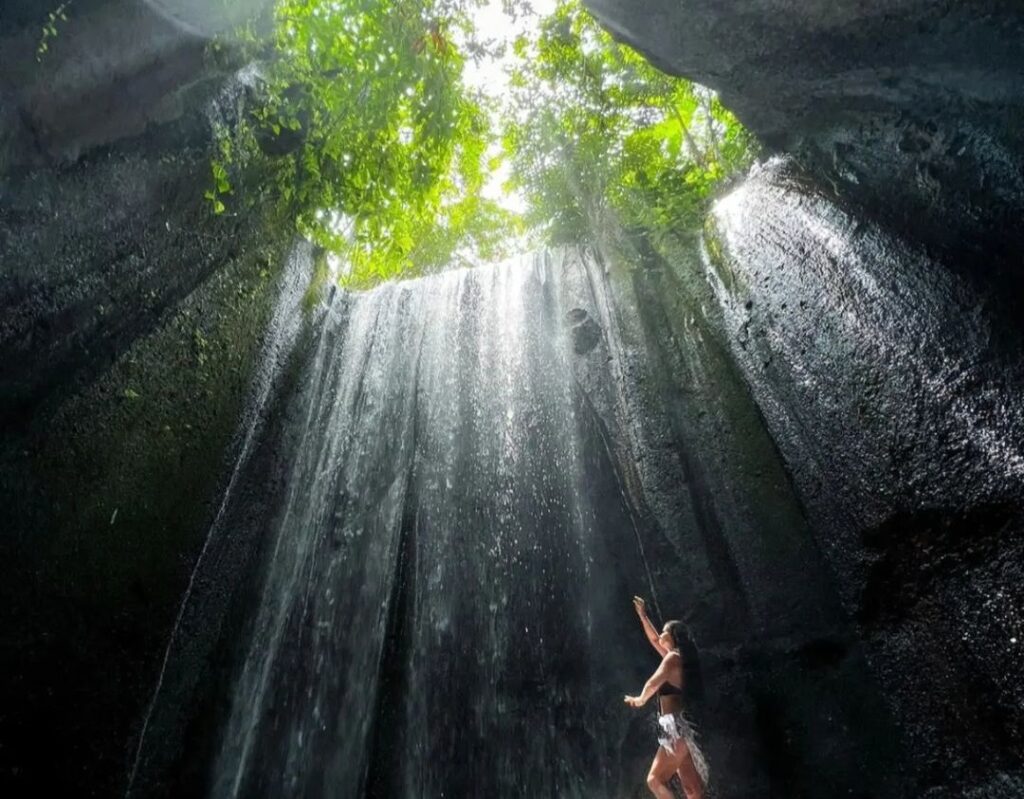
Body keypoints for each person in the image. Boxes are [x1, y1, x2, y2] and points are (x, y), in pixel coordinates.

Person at [624, 596, 709, 799]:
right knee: (692, 790)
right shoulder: (678, 658)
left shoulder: (672, 659)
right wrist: (643, 616)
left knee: (654, 780)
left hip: (673, 729)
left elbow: (653, 682)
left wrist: (641, 699)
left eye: (665, 631)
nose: (661, 634)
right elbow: (654, 639)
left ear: (673, 636)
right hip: (682, 728)